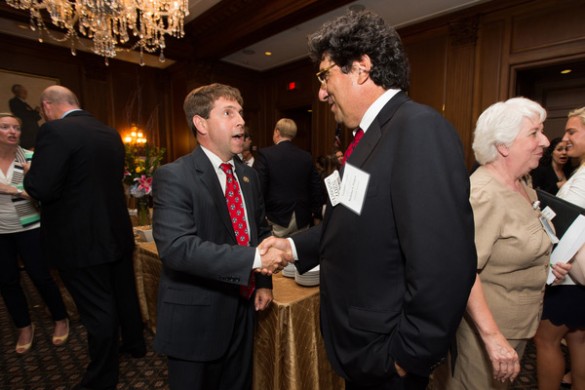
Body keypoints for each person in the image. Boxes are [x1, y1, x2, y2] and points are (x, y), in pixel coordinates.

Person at [259, 10, 477, 389]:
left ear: (360, 68)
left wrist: (408, 358)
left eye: (325, 75)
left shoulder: (419, 130)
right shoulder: (366, 140)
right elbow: (350, 223)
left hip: (387, 356)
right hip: (361, 348)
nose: (321, 92)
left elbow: (445, 266)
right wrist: (291, 246)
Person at [152, 83, 289, 389]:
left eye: (240, 112)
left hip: (243, 308)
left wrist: (264, 281)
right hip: (196, 319)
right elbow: (177, 248)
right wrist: (255, 259)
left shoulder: (248, 176)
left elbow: (259, 230)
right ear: (200, 124)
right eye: (228, 113)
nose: (240, 120)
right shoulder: (174, 176)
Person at [432, 97, 571, 390]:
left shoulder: (523, 186)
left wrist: (546, 267)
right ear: (503, 146)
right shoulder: (484, 195)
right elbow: (463, 272)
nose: (545, 141)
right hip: (487, 335)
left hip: (516, 328)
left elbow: (516, 246)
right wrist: (493, 338)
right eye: (534, 133)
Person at [23, 85, 145, 390]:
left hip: (80, 239)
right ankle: (135, 344)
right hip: (115, 231)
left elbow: (42, 188)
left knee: (97, 308)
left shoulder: (55, 132)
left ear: (48, 106)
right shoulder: (108, 132)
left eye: (42, 112)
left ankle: (102, 379)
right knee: (123, 294)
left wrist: (29, 172)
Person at [0, 112, 68, 354]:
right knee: (7, 281)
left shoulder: (31, 158)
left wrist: (14, 189)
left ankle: (60, 319)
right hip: (1, 231)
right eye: (5, 127)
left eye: (16, 128)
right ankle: (23, 327)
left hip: (30, 227)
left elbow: (42, 193)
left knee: (41, 276)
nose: (11, 132)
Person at [534, 106, 585, 390]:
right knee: (578, 338)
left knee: (546, 339)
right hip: (577, 277)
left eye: (572, 131)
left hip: (566, 273)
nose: (565, 138)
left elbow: (568, 229)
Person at [254, 118, 322, 237]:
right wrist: (316, 213)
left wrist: (259, 215)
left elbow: (259, 187)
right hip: (302, 217)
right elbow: (316, 187)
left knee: (278, 253)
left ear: (277, 132)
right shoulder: (306, 156)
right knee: (298, 252)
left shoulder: (265, 155)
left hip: (276, 217)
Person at [9, 84, 41, 149]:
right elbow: (23, 116)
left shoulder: (24, 103)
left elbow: (35, 117)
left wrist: (36, 111)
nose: (26, 92)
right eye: (23, 91)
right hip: (27, 133)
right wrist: (34, 112)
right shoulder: (14, 102)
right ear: (17, 92)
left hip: (33, 133)